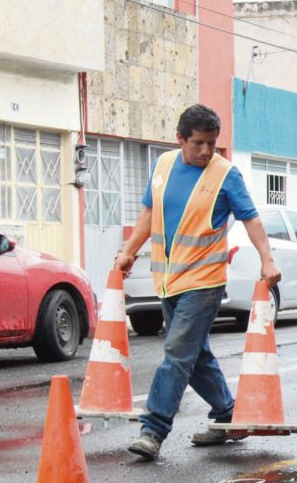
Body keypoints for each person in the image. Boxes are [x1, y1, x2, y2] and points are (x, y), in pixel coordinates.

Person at [113, 104, 283, 461]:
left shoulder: (226, 175)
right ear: (180, 140)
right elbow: (149, 214)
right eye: (199, 143)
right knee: (195, 355)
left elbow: (251, 220)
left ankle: (153, 429)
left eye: (212, 143)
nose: (206, 151)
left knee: (176, 353)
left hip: (204, 283)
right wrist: (128, 250)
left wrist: (267, 259)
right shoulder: (162, 166)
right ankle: (227, 414)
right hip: (168, 281)